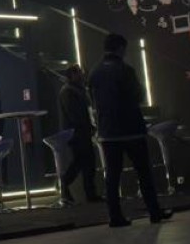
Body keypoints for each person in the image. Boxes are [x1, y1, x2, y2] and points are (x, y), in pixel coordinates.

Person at [88, 33, 172, 227]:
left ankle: (115, 216)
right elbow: (137, 95)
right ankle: (154, 211)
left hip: (107, 131)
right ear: (120, 48)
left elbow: (92, 100)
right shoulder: (125, 70)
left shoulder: (95, 72)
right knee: (143, 172)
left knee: (112, 176)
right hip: (131, 129)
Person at [58, 64, 100, 204]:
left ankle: (82, 191)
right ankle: (69, 185)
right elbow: (75, 114)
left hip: (80, 131)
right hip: (78, 132)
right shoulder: (69, 91)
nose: (82, 75)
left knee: (83, 162)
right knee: (84, 162)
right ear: (72, 75)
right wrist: (87, 126)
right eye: (79, 73)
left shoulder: (75, 90)